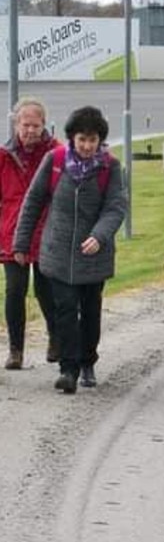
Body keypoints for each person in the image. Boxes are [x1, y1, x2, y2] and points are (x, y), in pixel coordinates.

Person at [13, 106, 127, 394]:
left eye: (93, 140)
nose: (87, 146)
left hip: (93, 255)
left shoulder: (110, 167)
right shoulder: (55, 161)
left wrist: (99, 236)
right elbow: (33, 202)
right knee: (63, 309)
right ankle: (68, 369)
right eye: (82, 140)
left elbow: (116, 207)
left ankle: (88, 360)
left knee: (90, 311)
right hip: (58, 251)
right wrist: (21, 243)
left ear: (100, 140)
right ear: (72, 139)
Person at [1, 98, 60, 369]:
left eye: (36, 125)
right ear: (16, 125)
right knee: (15, 290)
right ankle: (16, 350)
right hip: (13, 233)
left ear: (44, 125)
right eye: (26, 125)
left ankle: (56, 337)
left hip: (48, 230)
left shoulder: (56, 153)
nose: (31, 131)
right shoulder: (3, 157)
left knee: (46, 289)